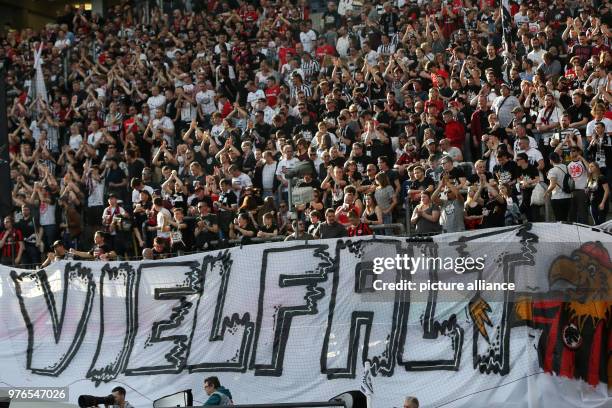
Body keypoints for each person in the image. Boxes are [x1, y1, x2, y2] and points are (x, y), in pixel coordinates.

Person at [545, 152, 572, 222]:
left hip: (557, 197)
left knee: (559, 219)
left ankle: (561, 232)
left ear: (551, 160)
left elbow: (553, 184)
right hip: (568, 196)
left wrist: (547, 192)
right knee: (565, 218)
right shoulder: (566, 167)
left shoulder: (553, 170)